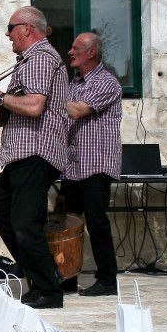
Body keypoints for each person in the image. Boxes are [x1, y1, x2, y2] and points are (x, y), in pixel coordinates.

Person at [0, 6, 68, 309]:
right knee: (3, 214)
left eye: (10, 28)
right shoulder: (27, 62)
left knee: (25, 223)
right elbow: (1, 114)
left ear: (27, 28)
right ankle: (42, 272)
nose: (7, 34)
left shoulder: (39, 58)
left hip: (37, 151)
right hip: (21, 152)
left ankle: (48, 290)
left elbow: (34, 106)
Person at [61, 32, 122, 297]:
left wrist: (46, 95)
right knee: (65, 222)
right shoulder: (74, 83)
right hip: (72, 165)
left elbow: (76, 111)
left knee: (96, 222)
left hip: (95, 163)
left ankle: (107, 280)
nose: (70, 51)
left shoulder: (106, 82)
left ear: (92, 53)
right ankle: (65, 277)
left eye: (76, 48)